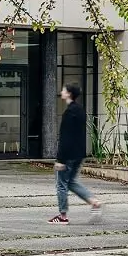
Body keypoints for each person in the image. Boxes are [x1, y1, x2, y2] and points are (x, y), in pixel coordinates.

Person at [50, 84, 103, 224]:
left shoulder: (69, 113)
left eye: (63, 90)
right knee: (71, 182)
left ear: (68, 94)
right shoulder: (80, 110)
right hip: (79, 154)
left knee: (61, 184)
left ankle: (62, 216)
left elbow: (65, 137)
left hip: (67, 155)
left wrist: (60, 159)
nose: (61, 92)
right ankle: (93, 201)